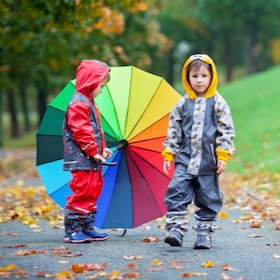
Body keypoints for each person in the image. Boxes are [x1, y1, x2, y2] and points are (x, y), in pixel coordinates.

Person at [162, 54, 235, 249]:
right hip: (185, 158)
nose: (200, 80)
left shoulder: (218, 103)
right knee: (176, 190)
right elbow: (174, 130)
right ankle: (175, 229)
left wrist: (223, 155)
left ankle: (204, 233)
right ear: (187, 78)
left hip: (208, 160)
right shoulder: (182, 104)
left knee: (209, 197)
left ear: (212, 77)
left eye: (204, 75)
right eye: (194, 76)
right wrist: (169, 152)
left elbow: (226, 131)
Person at [62, 59, 113, 243]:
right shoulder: (78, 103)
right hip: (81, 158)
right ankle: (73, 229)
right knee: (82, 190)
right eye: (101, 85)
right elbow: (82, 131)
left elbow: (96, 130)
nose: (102, 89)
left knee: (93, 189)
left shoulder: (89, 102)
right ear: (90, 81)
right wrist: (93, 150)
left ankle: (86, 226)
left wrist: (103, 148)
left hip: (92, 157)